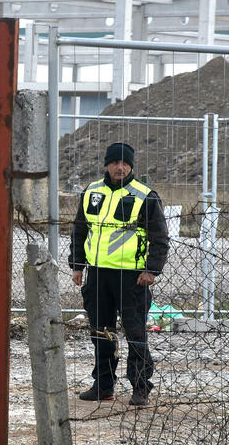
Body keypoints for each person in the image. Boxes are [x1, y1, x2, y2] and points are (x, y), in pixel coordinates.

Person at [69, 142, 169, 406]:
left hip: (131, 277)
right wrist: (77, 265)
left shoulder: (144, 195)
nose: (120, 167)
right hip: (98, 275)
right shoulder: (92, 192)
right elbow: (80, 230)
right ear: (106, 165)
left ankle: (140, 387)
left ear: (132, 166)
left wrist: (151, 270)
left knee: (135, 333)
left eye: (125, 163)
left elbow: (160, 237)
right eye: (115, 162)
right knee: (101, 332)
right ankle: (103, 386)